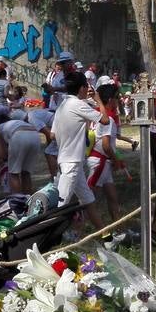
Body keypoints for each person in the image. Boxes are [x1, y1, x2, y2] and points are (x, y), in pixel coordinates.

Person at [51, 71, 109, 231]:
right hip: (72, 163)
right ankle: (51, 242)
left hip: (66, 160)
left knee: (89, 201)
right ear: (82, 88)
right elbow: (105, 119)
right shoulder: (78, 104)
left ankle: (107, 238)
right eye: (86, 87)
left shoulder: (62, 106)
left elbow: (52, 134)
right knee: (59, 206)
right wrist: (98, 100)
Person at [87, 83, 128, 236]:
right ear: (110, 99)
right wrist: (116, 160)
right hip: (98, 163)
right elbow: (106, 145)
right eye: (117, 97)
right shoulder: (108, 118)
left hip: (102, 162)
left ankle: (120, 229)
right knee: (89, 199)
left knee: (113, 197)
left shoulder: (96, 114)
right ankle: (77, 231)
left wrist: (117, 158)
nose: (119, 100)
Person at [0, 113, 46, 196]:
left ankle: (18, 200)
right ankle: (28, 198)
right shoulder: (15, 123)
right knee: (26, 172)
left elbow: (3, 154)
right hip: (35, 135)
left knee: (13, 173)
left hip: (19, 135)